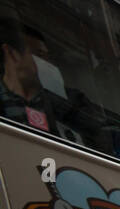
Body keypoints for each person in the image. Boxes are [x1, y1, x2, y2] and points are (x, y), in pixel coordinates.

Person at [0, 18, 110, 150]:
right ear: (12, 54)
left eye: (48, 57)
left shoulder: (72, 103)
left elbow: (100, 144)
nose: (47, 64)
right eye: (39, 55)